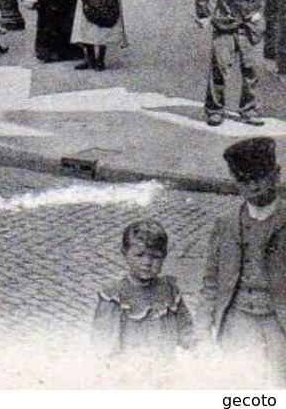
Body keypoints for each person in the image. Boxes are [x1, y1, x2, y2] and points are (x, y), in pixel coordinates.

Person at [199, 137, 286, 376]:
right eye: (244, 180)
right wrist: (203, 329)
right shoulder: (226, 224)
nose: (253, 186)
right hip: (236, 321)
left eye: (259, 177)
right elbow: (211, 282)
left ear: (276, 175)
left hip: (278, 322)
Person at [196, 0, 286, 126]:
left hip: (252, 26)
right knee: (220, 66)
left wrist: (268, 13)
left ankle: (249, 110)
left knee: (253, 68)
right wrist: (204, 14)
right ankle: (215, 110)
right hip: (226, 22)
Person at [92, 218, 193, 360]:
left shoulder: (169, 291)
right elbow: (102, 346)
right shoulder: (115, 297)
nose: (147, 263)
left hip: (165, 370)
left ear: (164, 257)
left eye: (155, 257)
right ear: (125, 254)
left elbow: (187, 331)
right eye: (139, 255)